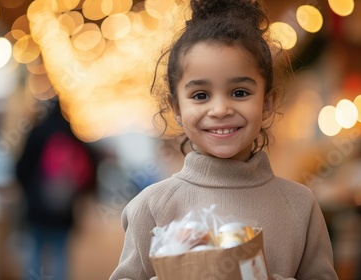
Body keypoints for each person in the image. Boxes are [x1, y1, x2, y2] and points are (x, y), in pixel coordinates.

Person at [110, 0, 338, 279]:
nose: (220, 110)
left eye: (239, 92)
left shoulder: (300, 205)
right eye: (200, 95)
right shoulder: (152, 207)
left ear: (267, 103)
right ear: (177, 109)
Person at [16, 99, 96, 280]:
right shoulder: (73, 136)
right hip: (64, 211)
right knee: (60, 254)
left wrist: (29, 192)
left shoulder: (36, 133)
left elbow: (20, 168)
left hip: (36, 209)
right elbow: (89, 172)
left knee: (36, 252)